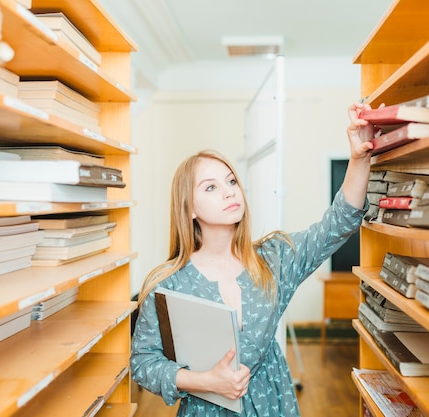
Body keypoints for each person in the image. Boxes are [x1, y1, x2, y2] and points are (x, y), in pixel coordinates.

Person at [131, 102, 376, 416]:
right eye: (211, 187)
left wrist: (359, 157)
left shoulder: (273, 259)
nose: (229, 192)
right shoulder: (168, 284)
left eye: (231, 181)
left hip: (274, 404)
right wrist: (205, 381)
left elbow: (339, 223)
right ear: (189, 209)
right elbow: (143, 364)